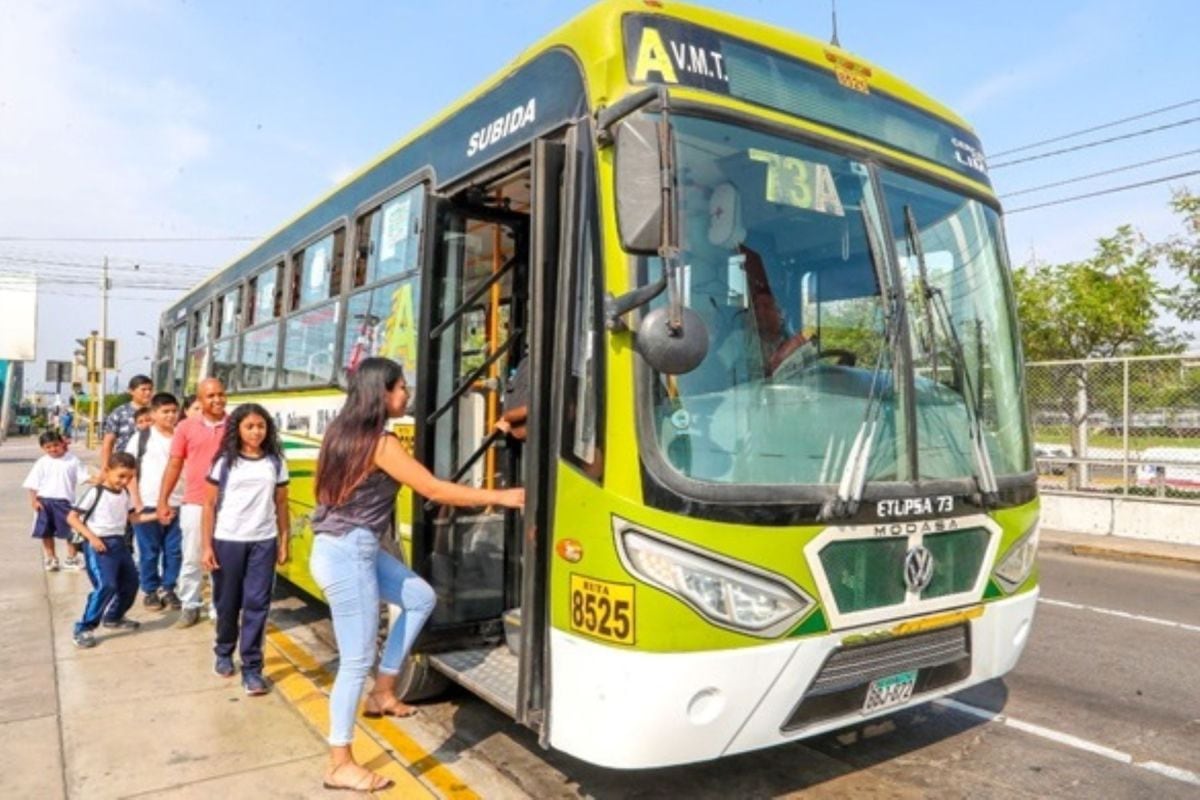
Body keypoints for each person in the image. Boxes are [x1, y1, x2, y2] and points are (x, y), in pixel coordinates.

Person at [309, 357, 523, 793]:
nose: (407, 394)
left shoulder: (340, 434)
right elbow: (434, 489)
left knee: (420, 598)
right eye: (401, 387)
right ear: (381, 393)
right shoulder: (380, 443)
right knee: (354, 661)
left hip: (353, 547)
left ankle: (384, 691)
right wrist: (503, 495)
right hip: (348, 553)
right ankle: (339, 762)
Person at [201, 403, 290, 696]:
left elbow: (281, 504)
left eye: (261, 426)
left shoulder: (275, 462)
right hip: (228, 540)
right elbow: (209, 505)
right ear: (237, 429)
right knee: (227, 603)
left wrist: (284, 541)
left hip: (263, 542)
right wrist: (206, 546)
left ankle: (252, 668)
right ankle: (224, 651)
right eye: (249, 426)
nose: (256, 432)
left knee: (257, 605)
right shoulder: (225, 462)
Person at [157, 378, 228, 628]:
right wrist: (162, 500)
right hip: (195, 503)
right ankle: (190, 605)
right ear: (200, 399)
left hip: (229, 506)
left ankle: (220, 609)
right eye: (211, 396)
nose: (217, 400)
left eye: (221, 394)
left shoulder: (235, 425)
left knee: (224, 560)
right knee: (192, 557)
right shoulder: (186, 427)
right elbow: (175, 464)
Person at [67, 451, 145, 648]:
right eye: (121, 476)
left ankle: (114, 616)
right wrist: (92, 538)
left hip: (119, 544)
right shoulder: (96, 492)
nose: (125, 481)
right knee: (106, 585)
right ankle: (84, 627)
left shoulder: (124, 493)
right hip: (99, 546)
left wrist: (159, 516)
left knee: (131, 583)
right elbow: (72, 518)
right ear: (108, 471)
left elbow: (133, 518)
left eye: (129, 477)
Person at [126, 392, 184, 611]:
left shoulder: (182, 434)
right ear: (153, 413)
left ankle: (168, 588)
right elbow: (129, 471)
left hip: (178, 501)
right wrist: (136, 501)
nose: (170, 416)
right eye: (165, 412)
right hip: (148, 503)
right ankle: (150, 590)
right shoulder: (142, 437)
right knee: (149, 550)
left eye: (173, 411)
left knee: (175, 550)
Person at [23, 431, 91, 571]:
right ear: (43, 448)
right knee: (46, 532)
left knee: (71, 532)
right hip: (45, 502)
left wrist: (99, 480)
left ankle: (71, 558)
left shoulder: (72, 460)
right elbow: (33, 483)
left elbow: (83, 477)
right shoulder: (42, 462)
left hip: (65, 503)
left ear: (62, 444)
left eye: (55, 445)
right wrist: (34, 501)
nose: (53, 449)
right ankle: (51, 558)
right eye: (48, 447)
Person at [100, 375, 154, 468]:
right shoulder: (119, 413)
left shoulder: (156, 413)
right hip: (124, 465)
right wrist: (105, 468)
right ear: (131, 391)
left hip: (151, 465)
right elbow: (108, 443)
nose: (148, 392)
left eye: (150, 389)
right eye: (143, 389)